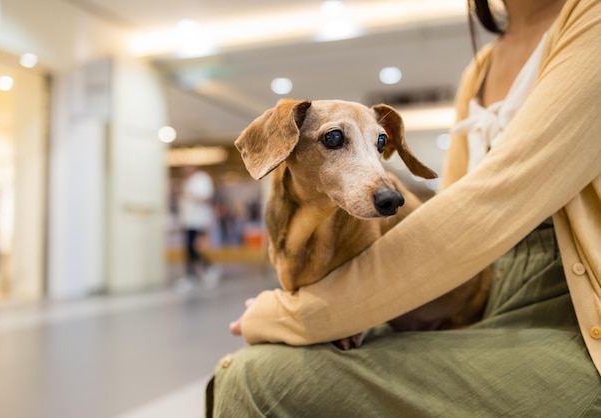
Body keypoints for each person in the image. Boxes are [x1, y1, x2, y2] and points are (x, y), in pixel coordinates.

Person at [208, 0, 601, 415]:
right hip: (469, 273)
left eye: (380, 145)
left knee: (255, 376)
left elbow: (492, 202)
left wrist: (294, 315)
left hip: (571, 307)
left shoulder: (591, 18)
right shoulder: (480, 68)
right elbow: (451, 209)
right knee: (252, 369)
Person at [177, 165, 218, 288]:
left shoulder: (202, 179)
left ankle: (201, 271)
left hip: (199, 220)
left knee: (192, 247)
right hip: (188, 220)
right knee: (190, 248)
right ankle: (204, 270)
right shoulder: (188, 182)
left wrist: (192, 197)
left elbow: (207, 198)